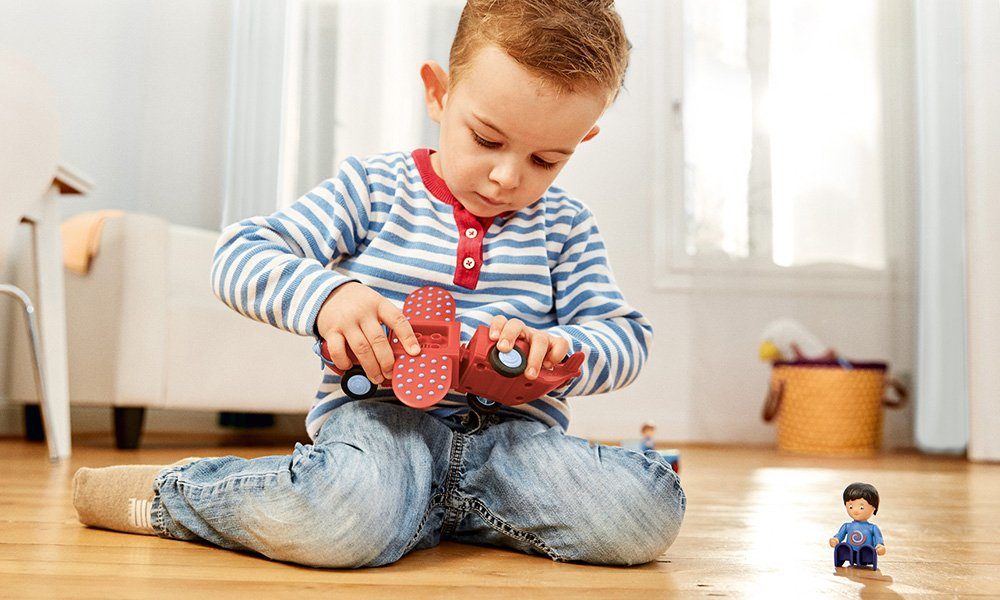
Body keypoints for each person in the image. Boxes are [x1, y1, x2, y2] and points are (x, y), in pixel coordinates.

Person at [72, 0, 685, 568]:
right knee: (344, 515)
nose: (505, 177)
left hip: (512, 448)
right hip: (381, 430)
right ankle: (172, 495)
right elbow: (240, 252)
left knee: (644, 514)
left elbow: (624, 335)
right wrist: (328, 297)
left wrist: (564, 354)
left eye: (545, 160)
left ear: (582, 141)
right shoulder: (373, 188)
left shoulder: (567, 227)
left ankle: (424, 514)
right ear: (438, 94)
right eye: (487, 139)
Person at [830, 482, 886, 569]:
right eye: (851, 507)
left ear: (874, 508)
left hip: (866, 553)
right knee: (843, 547)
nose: (855, 511)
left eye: (861, 508)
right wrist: (836, 539)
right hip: (849, 551)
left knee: (867, 549)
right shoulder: (847, 526)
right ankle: (842, 558)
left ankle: (866, 556)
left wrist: (880, 546)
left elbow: (879, 539)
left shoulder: (872, 528)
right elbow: (839, 535)